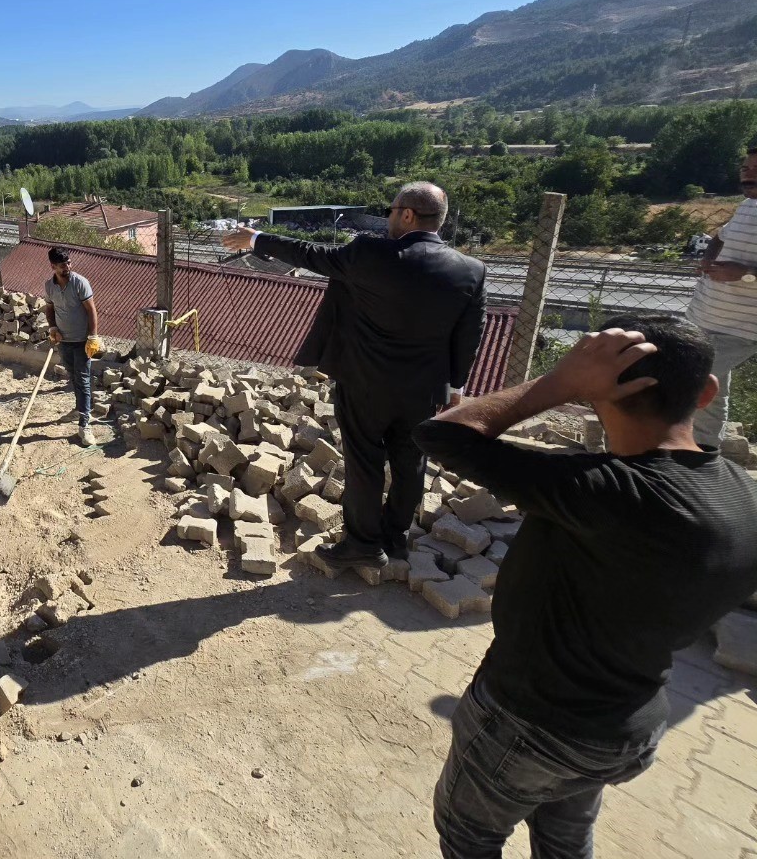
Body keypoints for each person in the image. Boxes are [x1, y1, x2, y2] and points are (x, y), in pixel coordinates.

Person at [413, 319, 757, 858]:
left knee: (468, 836)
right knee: (565, 839)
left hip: (529, 724)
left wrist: (559, 382)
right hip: (626, 727)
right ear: (707, 391)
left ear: (598, 390)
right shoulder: (745, 500)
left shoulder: (603, 490)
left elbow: (441, 433)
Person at [222, 182, 487, 570]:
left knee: (364, 460)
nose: (388, 217)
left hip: (366, 385)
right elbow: (470, 336)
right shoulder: (471, 270)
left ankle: (363, 544)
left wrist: (256, 238)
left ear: (408, 215)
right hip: (425, 391)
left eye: (392, 210)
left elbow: (311, 255)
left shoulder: (369, 254)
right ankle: (395, 538)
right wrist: (456, 387)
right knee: (411, 463)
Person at [686, 146, 757, 446]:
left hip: (741, 326)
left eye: (756, 168)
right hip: (704, 313)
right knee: (711, 385)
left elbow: (744, 270)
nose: (746, 173)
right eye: (745, 167)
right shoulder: (748, 206)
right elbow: (720, 237)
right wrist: (707, 259)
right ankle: (703, 449)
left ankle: (698, 451)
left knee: (698, 375)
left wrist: (745, 273)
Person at [42, 247, 102, 447]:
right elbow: (50, 308)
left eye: (68, 263)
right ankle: (80, 408)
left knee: (83, 379)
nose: (67, 267)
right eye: (62, 265)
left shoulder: (80, 283)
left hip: (82, 341)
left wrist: (93, 336)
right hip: (64, 341)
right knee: (73, 376)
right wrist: (52, 328)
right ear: (53, 266)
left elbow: (91, 310)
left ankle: (85, 424)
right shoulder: (49, 286)